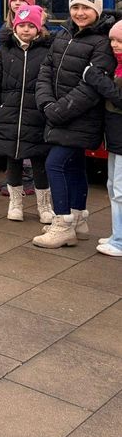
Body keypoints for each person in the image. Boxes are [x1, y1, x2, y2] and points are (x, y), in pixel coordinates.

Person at [33, 0, 117, 248]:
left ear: (97, 10)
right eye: (75, 7)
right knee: (73, 165)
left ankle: (62, 223)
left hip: (81, 118)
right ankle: (78, 219)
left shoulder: (103, 41)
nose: (80, 13)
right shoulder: (64, 34)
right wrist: (46, 102)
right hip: (59, 113)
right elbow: (46, 69)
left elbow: (92, 86)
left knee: (55, 165)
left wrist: (58, 111)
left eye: (86, 8)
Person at [0, 5, 53, 222]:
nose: (26, 30)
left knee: (40, 163)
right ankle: (15, 203)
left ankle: (44, 206)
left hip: (37, 117)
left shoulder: (47, 52)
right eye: (21, 25)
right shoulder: (4, 51)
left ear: (39, 29)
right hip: (9, 115)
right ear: (14, 27)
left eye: (31, 26)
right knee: (13, 161)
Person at [82, 18, 122, 257]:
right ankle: (117, 233)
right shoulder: (116, 66)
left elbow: (118, 97)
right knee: (112, 185)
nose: (115, 45)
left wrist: (93, 76)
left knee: (119, 189)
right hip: (116, 139)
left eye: (120, 41)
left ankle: (120, 240)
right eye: (113, 40)